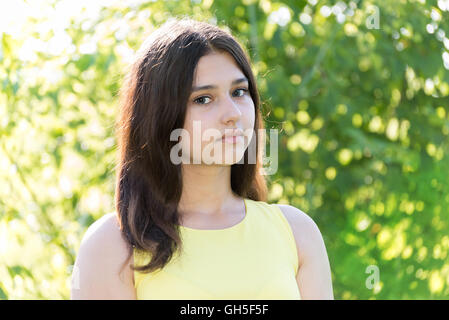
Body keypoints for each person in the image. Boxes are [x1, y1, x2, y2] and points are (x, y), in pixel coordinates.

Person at [71, 17, 334, 300]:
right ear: (160, 117)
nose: (232, 113)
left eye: (239, 92)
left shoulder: (296, 232)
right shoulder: (112, 246)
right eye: (203, 99)